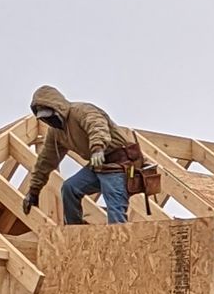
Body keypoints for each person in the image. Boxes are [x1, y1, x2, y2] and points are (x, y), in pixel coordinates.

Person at [23, 85, 143, 225]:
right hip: (97, 165)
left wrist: (97, 147)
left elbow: (97, 126)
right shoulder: (55, 133)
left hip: (118, 163)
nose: (50, 121)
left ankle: (121, 240)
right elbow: (45, 161)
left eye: (50, 116)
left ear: (57, 109)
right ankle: (76, 231)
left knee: (114, 205)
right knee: (70, 188)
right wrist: (33, 191)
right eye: (45, 119)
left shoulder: (82, 111)